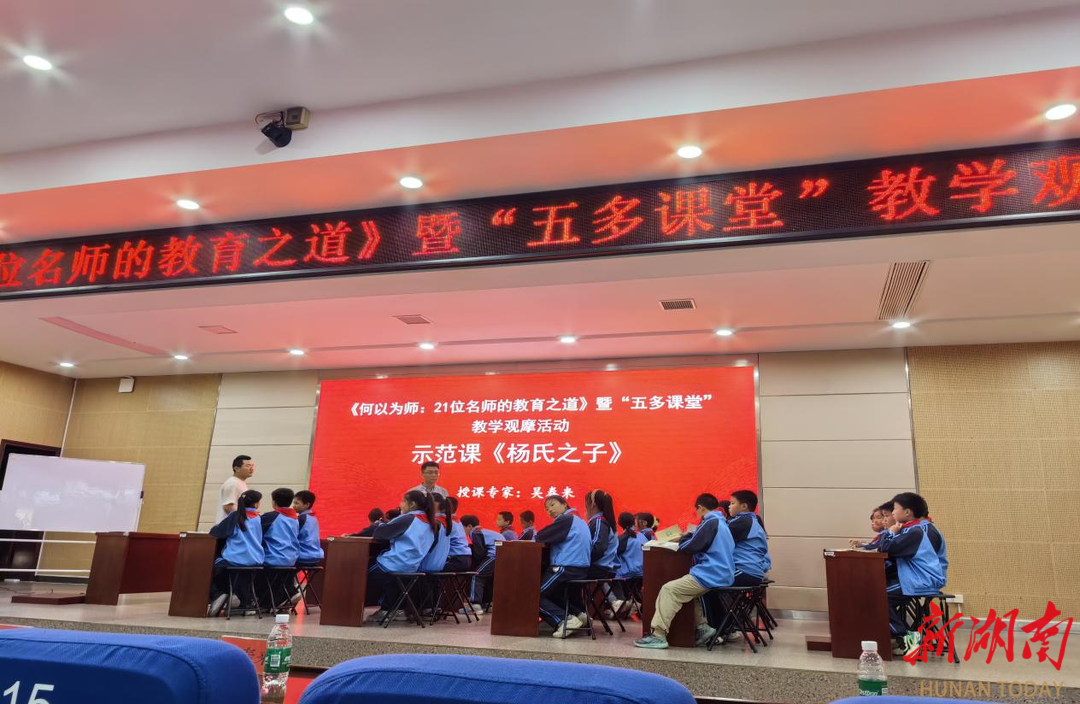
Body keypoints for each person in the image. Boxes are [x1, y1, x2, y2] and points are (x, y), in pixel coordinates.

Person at [634, 493, 734, 650]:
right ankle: (703, 628)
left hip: (710, 573)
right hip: (722, 573)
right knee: (688, 594)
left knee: (669, 590)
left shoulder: (710, 522)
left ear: (701, 508)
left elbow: (689, 546)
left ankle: (658, 635)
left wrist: (683, 538)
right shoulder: (722, 522)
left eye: (696, 510)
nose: (696, 514)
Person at [879, 492, 948, 657]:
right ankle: (900, 638)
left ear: (908, 512)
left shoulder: (917, 531)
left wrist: (890, 532)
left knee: (877, 598)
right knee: (878, 593)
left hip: (920, 580)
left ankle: (909, 643)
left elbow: (886, 548)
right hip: (918, 578)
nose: (893, 513)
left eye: (895, 509)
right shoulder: (923, 528)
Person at [366, 490, 440, 624]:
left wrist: (379, 524)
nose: (400, 504)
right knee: (392, 579)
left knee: (361, 576)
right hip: (411, 567)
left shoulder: (408, 518)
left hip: (392, 563)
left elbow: (380, 534)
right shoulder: (431, 523)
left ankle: (382, 610)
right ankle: (396, 610)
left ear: (412, 504)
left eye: (403, 501)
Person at [535, 495, 591, 638]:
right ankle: (578, 615)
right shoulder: (578, 520)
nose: (549, 510)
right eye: (547, 508)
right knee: (553, 594)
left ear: (565, 504)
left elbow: (541, 536)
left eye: (552, 505)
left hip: (566, 566)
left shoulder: (565, 519)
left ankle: (565, 620)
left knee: (532, 595)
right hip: (580, 568)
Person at [207, 489, 264, 617]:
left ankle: (218, 595)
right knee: (243, 575)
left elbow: (216, 532)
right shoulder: (259, 518)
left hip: (235, 558)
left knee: (211, 567)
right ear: (256, 504)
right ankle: (245, 602)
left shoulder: (235, 516)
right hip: (256, 559)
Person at [261, 488, 300, 607]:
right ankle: (289, 593)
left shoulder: (270, 517)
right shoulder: (295, 518)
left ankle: (255, 601)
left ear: (274, 502)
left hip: (275, 558)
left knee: (252, 566)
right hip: (292, 559)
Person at [726, 490, 770, 585]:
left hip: (743, 571)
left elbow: (719, 539)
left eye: (732, 503)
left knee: (705, 578)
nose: (729, 506)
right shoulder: (754, 521)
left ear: (744, 506)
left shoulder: (742, 522)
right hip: (756, 573)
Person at [460, 515, 503, 613]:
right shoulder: (485, 531)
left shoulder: (475, 532)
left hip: (494, 555)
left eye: (462, 528)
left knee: (476, 575)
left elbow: (479, 553)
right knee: (485, 576)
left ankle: (475, 605)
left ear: (469, 526)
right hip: (501, 555)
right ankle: (488, 603)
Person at [610, 511, 646, 613]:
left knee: (609, 576)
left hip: (629, 574)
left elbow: (614, 554)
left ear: (619, 523)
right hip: (643, 573)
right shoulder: (642, 536)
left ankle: (621, 602)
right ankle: (632, 602)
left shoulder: (622, 539)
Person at [217, 455, 255, 523]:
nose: (252, 469)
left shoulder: (239, 482)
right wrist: (246, 517)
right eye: (248, 466)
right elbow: (228, 506)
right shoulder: (233, 483)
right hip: (229, 526)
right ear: (237, 468)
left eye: (252, 466)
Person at [292, 490, 324, 564]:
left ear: (307, 504)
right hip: (316, 556)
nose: (293, 506)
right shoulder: (314, 518)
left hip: (303, 556)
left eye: (296, 503)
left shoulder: (300, 518)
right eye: (294, 503)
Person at [444, 496, 472, 572]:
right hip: (466, 558)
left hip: (456, 559)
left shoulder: (447, 522)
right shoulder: (457, 521)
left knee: (430, 568)